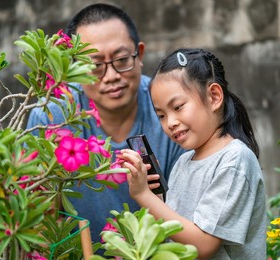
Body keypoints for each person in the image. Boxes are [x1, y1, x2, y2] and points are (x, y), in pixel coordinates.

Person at [26, 4, 185, 244]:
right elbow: (40, 217)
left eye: (122, 60)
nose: (111, 76)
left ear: (139, 54)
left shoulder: (170, 109)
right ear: (74, 66)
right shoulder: (50, 117)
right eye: (95, 65)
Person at [118, 48, 267, 259]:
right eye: (161, 115)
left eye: (178, 107)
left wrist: (142, 196)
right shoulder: (183, 161)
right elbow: (174, 233)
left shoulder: (234, 160)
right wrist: (155, 196)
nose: (170, 122)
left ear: (214, 97)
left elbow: (204, 244)